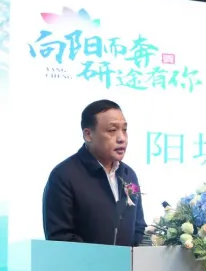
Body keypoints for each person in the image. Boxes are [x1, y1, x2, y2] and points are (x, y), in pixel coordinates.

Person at [42, 99, 146, 246]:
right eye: (112, 130)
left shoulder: (129, 174)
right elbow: (60, 237)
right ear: (88, 135)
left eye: (124, 130)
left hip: (126, 261)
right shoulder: (64, 176)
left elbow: (138, 227)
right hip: (83, 261)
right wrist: (101, 258)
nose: (122, 138)